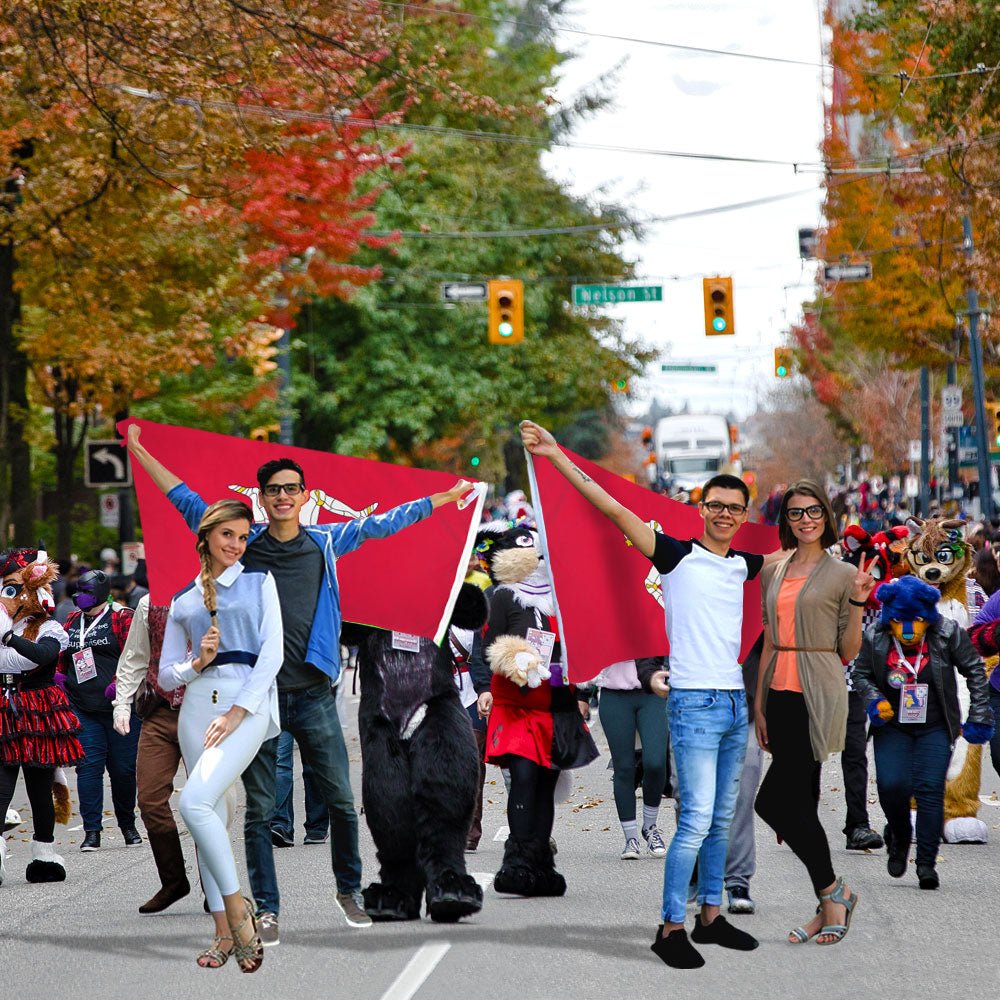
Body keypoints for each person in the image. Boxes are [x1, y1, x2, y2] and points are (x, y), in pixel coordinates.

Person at [127, 423, 473, 942]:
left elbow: (384, 524)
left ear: (305, 496)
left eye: (292, 488)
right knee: (261, 811)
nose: (284, 496)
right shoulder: (244, 546)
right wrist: (138, 451)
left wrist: (443, 498)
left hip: (313, 694)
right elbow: (186, 500)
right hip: (257, 699)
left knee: (338, 798)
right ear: (261, 499)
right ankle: (266, 908)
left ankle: (349, 891)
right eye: (274, 490)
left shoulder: (326, 543)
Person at [520, 419, 766, 970]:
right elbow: (609, 507)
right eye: (716, 505)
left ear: (744, 516)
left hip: (733, 704)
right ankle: (669, 926)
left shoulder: (744, 566)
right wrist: (558, 456)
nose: (725, 514)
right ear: (702, 509)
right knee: (697, 819)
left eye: (734, 508)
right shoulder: (677, 556)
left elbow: (801, 558)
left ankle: (710, 916)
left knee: (721, 818)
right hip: (694, 703)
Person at [159, 498, 281, 971]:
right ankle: (221, 935)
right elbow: (166, 677)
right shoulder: (185, 600)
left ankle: (238, 915)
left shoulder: (259, 581)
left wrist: (236, 712)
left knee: (192, 802)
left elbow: (272, 655)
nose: (236, 544)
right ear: (207, 535)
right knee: (210, 815)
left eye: (243, 536)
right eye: (228, 534)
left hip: (244, 706)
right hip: (196, 709)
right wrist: (197, 663)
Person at [754, 480, 873, 946]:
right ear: (786, 520)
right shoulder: (773, 569)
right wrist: (760, 704)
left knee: (771, 802)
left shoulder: (843, 573)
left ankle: (833, 892)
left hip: (817, 690)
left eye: (813, 512)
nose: (805, 520)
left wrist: (860, 602)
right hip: (778, 692)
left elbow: (846, 649)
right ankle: (829, 901)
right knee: (798, 804)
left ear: (827, 516)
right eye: (796, 513)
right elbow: (768, 637)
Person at [856, 575, 993, 889]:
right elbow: (862, 675)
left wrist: (980, 713)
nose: (908, 629)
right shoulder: (875, 636)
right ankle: (900, 835)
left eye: (916, 621)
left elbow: (974, 669)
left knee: (930, 790)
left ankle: (927, 863)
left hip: (935, 726)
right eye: (901, 621)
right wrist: (875, 701)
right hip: (892, 726)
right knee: (892, 786)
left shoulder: (947, 633)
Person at [0, 547, 81, 885]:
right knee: (2, 788)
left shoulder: (49, 628)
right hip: (4, 707)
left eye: (15, 588)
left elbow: (41, 657)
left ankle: (44, 854)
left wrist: (7, 639)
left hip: (37, 710)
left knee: (39, 787)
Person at [112, 594, 192, 913]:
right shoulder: (149, 603)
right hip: (159, 713)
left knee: (206, 801)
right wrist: (121, 704)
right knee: (149, 798)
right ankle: (173, 880)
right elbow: (134, 658)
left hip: (203, 712)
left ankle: (217, 884)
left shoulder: (221, 593)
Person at [60, 570, 141, 851]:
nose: (78, 595)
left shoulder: (122, 617)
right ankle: (92, 831)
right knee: (88, 769)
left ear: (100, 591)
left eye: (85, 590)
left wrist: (120, 684)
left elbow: (137, 656)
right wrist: (59, 677)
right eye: (78, 590)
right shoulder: (72, 620)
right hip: (83, 707)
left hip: (121, 707)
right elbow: (63, 654)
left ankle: (128, 826)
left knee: (123, 771)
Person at [595, 658, 668, 861]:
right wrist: (583, 695)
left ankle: (650, 827)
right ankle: (631, 838)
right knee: (624, 767)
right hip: (614, 694)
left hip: (651, 692)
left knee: (656, 761)